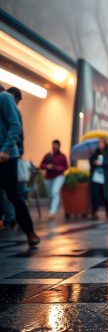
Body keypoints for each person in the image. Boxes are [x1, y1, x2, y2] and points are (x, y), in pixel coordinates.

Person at [0, 82, 39, 245]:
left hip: (6, 156)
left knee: (14, 195)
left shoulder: (4, 97)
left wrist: (6, 149)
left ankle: (30, 232)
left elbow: (15, 125)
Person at [1, 87, 25, 227]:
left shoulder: (5, 98)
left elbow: (17, 128)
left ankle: (13, 218)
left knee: (12, 192)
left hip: (9, 153)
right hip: (8, 152)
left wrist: (8, 149)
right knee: (11, 191)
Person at [40, 140, 69, 219]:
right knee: (51, 194)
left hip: (58, 176)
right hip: (48, 177)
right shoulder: (48, 155)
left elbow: (66, 167)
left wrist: (55, 167)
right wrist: (47, 166)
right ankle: (53, 208)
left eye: (56, 145)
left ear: (59, 146)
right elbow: (41, 165)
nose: (54, 146)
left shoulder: (62, 156)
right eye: (53, 145)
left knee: (55, 192)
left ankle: (52, 212)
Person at [89, 138, 108, 220]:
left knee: (104, 195)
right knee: (94, 193)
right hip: (96, 177)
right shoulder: (96, 152)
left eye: (102, 143)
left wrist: (102, 163)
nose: (100, 145)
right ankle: (94, 212)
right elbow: (91, 161)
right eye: (99, 143)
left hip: (105, 177)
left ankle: (107, 209)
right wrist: (94, 162)